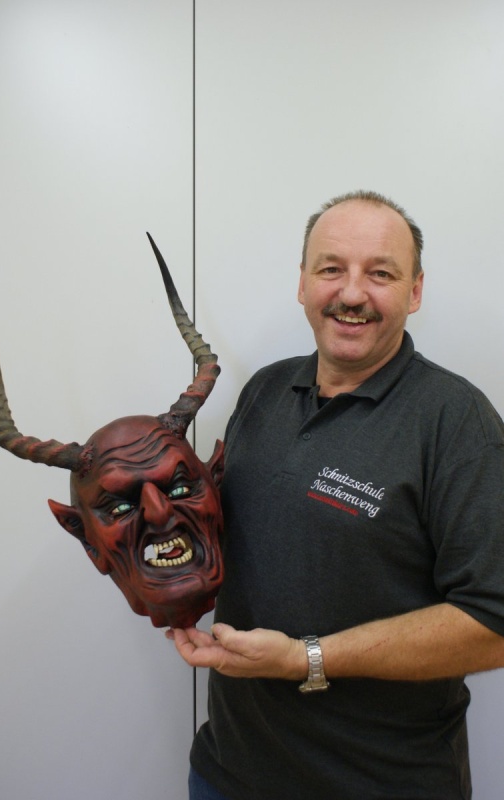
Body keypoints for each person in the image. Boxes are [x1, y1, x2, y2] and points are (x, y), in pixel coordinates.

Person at [167, 191, 504, 800]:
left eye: (380, 273)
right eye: (331, 269)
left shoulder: (456, 422)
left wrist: (308, 658)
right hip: (227, 772)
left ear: (415, 291)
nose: (351, 293)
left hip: (380, 784)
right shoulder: (264, 391)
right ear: (302, 283)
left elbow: (494, 623)